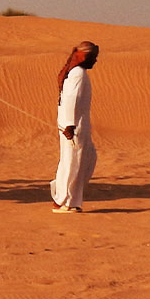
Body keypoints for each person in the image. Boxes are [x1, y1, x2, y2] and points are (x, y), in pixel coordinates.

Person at [51, 41, 100, 213]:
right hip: (74, 127)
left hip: (74, 125)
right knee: (73, 163)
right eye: (93, 57)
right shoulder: (78, 73)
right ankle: (64, 201)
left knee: (81, 161)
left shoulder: (76, 72)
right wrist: (70, 125)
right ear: (85, 56)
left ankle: (70, 201)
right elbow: (71, 99)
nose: (95, 61)